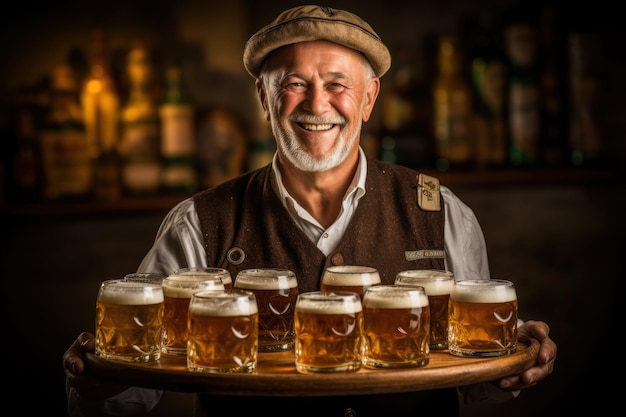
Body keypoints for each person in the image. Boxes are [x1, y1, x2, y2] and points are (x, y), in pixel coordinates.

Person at [63, 5, 557, 417]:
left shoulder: (442, 211)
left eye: (338, 84)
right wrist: (93, 381)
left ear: (369, 99)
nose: (317, 104)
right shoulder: (198, 223)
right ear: (263, 97)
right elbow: (129, 393)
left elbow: (478, 380)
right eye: (294, 83)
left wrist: (517, 362)